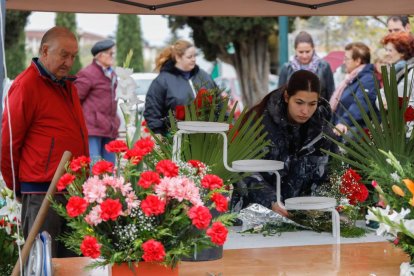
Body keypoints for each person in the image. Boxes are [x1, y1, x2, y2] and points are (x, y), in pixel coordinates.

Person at [1, 26, 89, 258]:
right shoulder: (26, 86)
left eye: (73, 55)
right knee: (42, 263)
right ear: (45, 50)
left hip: (72, 190)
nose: (69, 62)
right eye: (64, 54)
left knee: (72, 265)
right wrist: (17, 186)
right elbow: (8, 144)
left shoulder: (67, 85)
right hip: (42, 190)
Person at [231, 70, 337, 216]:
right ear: (287, 97)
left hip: (303, 220)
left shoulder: (323, 133)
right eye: (299, 102)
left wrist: (316, 205)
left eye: (312, 104)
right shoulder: (257, 122)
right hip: (253, 216)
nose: (305, 111)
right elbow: (242, 169)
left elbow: (329, 173)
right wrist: (271, 201)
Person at [144, 39, 217, 135]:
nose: (194, 59)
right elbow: (152, 110)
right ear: (178, 58)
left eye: (195, 56)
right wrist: (157, 133)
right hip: (176, 138)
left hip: (208, 137)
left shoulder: (204, 76)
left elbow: (218, 100)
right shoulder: (162, 81)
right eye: (189, 57)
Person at [74, 39, 119, 164]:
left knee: (109, 168)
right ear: (100, 55)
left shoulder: (112, 74)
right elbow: (75, 99)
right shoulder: (88, 74)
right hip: (93, 128)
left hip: (109, 127)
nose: (112, 56)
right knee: (95, 167)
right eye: (110, 53)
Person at [330, 42, 379, 137]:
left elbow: (361, 105)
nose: (344, 62)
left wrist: (344, 122)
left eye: (347, 59)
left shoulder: (368, 80)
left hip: (354, 135)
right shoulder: (352, 79)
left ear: (357, 61)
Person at [279, 31, 335, 101]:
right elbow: (279, 96)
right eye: (301, 52)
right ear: (295, 50)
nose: (304, 56)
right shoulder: (286, 69)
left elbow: (331, 95)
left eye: (307, 51)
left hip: (319, 110)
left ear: (313, 49)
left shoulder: (324, 67)